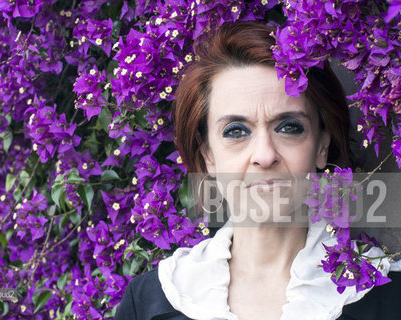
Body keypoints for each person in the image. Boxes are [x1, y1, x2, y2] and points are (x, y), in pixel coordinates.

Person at [114, 21, 401, 320]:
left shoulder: (390, 297)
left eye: (290, 127)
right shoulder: (149, 302)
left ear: (321, 147)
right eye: (236, 131)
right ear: (208, 155)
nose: (265, 156)